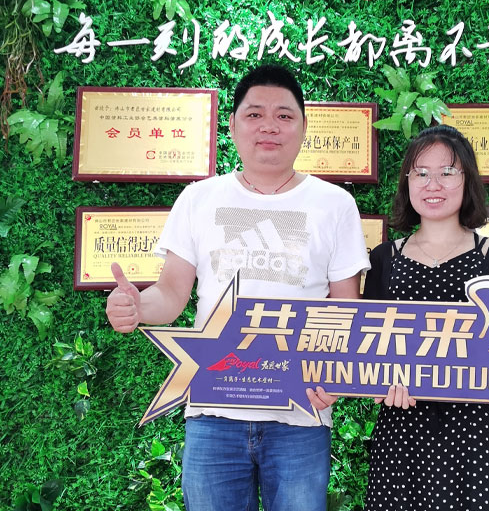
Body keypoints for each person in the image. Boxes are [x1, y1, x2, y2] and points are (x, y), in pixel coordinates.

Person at [105, 64, 370, 511]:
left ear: (304, 127)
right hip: (213, 413)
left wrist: (338, 377)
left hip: (300, 412)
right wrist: (137, 305)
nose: (269, 126)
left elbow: (347, 309)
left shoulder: (335, 204)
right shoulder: (199, 199)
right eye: (254, 114)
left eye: (284, 115)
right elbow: (171, 293)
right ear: (232, 125)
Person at [362, 124, 489, 511]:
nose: (433, 184)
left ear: (467, 179)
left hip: (477, 432)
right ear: (407, 182)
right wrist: (378, 385)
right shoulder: (385, 259)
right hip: (402, 430)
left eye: (447, 172)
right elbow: (368, 348)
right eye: (421, 173)